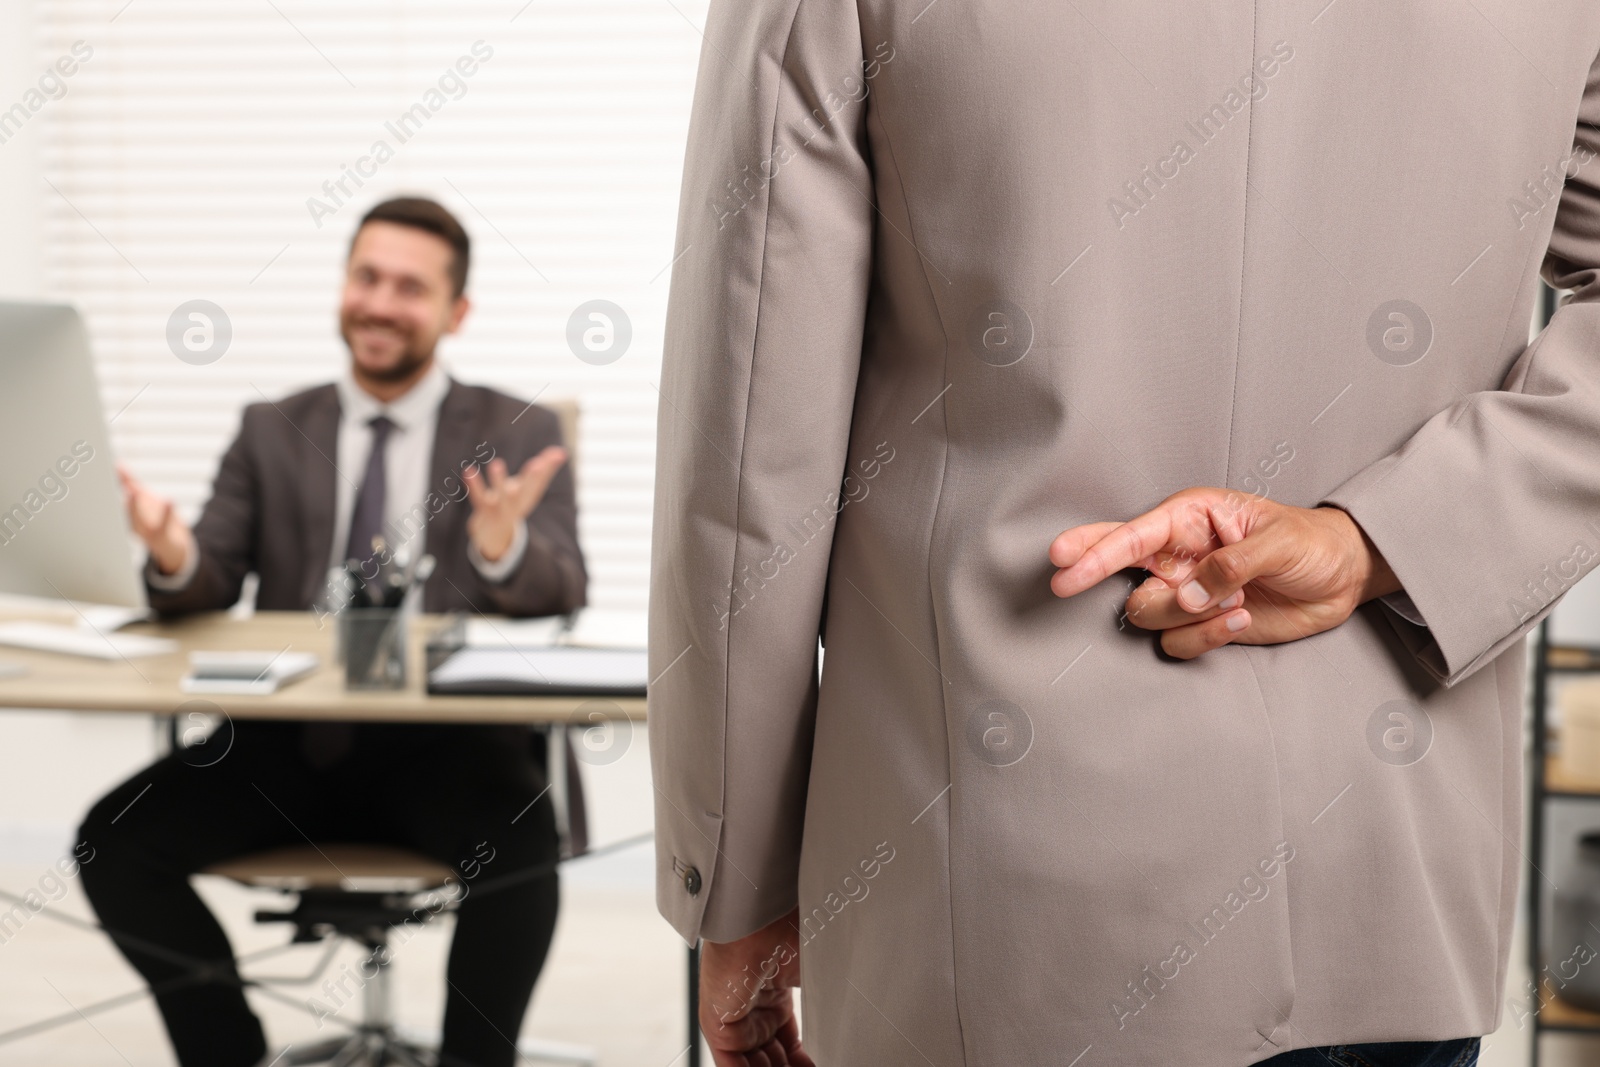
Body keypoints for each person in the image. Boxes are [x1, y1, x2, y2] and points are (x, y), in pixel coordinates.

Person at [648, 4, 1600, 1065]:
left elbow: (747, 446)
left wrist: (729, 879)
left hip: (1003, 910)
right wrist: (1379, 539)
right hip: (1395, 880)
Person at [78, 196, 586, 1067]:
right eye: (367, 276)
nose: (380, 302)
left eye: (410, 287)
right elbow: (206, 577)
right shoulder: (272, 427)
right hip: (285, 752)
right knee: (111, 843)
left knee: (523, 847)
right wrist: (169, 551)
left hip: (449, 753)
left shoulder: (517, 430)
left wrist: (500, 552)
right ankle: (227, 1053)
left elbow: (565, 586)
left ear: (455, 312)